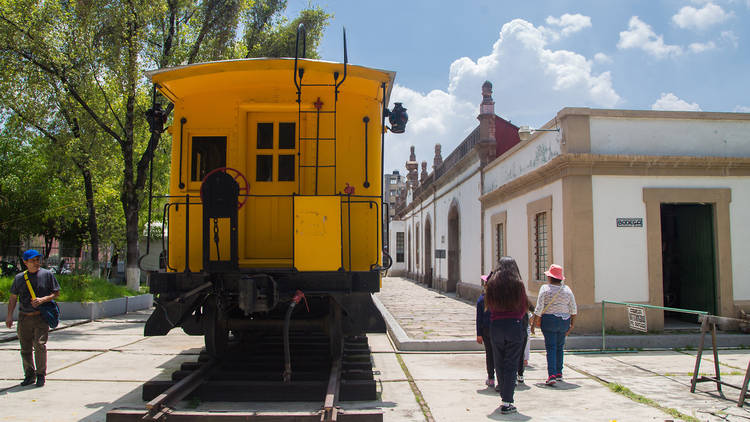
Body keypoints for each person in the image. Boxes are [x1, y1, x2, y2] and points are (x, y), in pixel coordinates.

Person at [5, 250, 60, 387]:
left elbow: (56, 293)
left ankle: (41, 374)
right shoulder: (19, 278)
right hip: (24, 318)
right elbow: (13, 298)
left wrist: (43, 300)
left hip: (40, 317)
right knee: (25, 348)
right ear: (25, 262)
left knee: (39, 345)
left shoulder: (47, 275)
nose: (36, 263)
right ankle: (29, 375)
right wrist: (9, 316)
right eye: (32, 260)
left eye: (37, 260)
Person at [485, 256, 528, 415]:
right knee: (511, 364)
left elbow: (488, 305)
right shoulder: (519, 284)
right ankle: (507, 401)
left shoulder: (492, 284)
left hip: (496, 326)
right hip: (514, 325)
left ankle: (504, 395)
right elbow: (523, 307)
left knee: (499, 362)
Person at [530, 264, 577, 386]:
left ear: (550, 277)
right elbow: (573, 308)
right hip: (564, 321)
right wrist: (572, 324)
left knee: (550, 347)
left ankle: (551, 375)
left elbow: (539, 307)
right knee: (560, 346)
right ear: (560, 278)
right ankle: (559, 373)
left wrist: (534, 324)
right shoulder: (567, 290)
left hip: (549, 320)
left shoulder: (545, 289)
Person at [476, 274, 496, 389]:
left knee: (489, 354)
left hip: (486, 330)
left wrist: (478, 334)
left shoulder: (481, 299)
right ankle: (500, 378)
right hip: (497, 329)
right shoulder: (499, 298)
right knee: (498, 354)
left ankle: (491, 378)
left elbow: (479, 318)